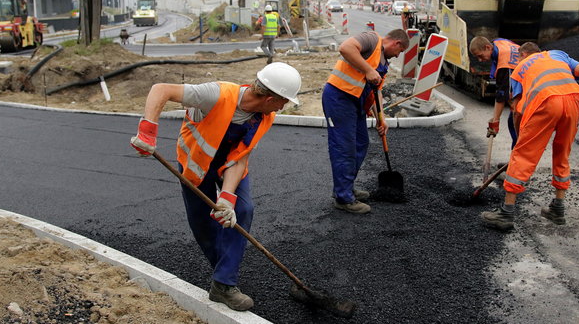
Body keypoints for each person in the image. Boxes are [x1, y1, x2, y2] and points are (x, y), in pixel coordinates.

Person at [129, 62, 302, 311]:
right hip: (196, 165)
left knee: (242, 210)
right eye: (283, 100)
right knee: (203, 224)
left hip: (229, 166)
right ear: (269, 98)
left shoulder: (265, 117)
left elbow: (240, 157)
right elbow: (161, 89)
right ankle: (223, 266)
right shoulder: (216, 94)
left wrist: (227, 198)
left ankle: (223, 284)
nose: (284, 106)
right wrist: (147, 131)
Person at [481, 42, 579, 232]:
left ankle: (506, 213)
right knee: (562, 154)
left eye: (518, 56)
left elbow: (517, 110)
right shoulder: (559, 54)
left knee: (523, 156)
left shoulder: (519, 69)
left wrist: (519, 138)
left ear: (523, 54)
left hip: (546, 102)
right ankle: (557, 209)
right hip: (573, 100)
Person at [323, 29, 409, 214]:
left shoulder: (384, 62)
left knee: (361, 143)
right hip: (339, 97)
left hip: (357, 103)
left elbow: (376, 91)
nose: (398, 55)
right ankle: (343, 198)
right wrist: (369, 70)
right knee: (344, 147)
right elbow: (345, 48)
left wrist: (382, 119)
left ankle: (345, 187)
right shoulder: (371, 39)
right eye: (400, 52)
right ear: (397, 44)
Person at [468, 36, 522, 148]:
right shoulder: (498, 42)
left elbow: (501, 96)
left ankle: (518, 163)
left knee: (515, 123)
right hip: (526, 82)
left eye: (480, 56)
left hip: (528, 93)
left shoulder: (504, 64)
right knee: (513, 122)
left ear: (487, 47)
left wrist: (495, 122)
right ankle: (515, 162)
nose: (480, 60)